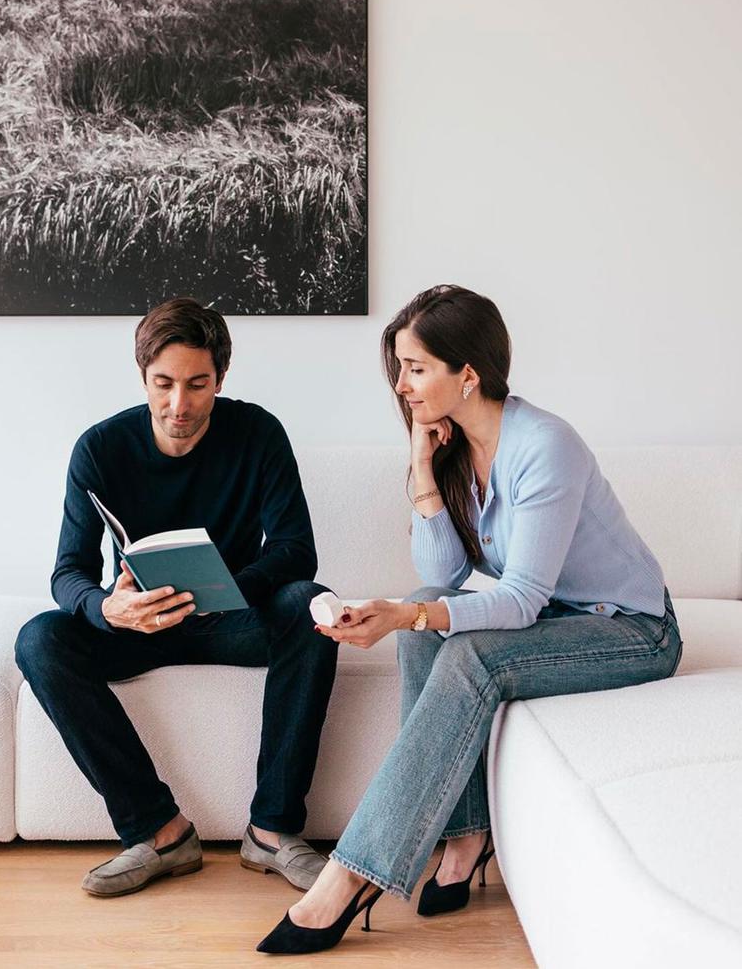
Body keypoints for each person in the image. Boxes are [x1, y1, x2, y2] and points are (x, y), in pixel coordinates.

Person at [257, 284, 683, 955]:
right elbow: (444, 574)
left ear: (468, 372)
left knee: (460, 646)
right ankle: (463, 836)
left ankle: (351, 872)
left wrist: (405, 614)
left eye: (416, 366)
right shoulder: (457, 446)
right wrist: (424, 469)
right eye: (398, 367)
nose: (400, 384)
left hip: (630, 629)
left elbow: (518, 598)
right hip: (557, 617)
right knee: (429, 612)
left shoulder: (545, 445)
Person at [15, 297, 338, 898]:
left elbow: (296, 549)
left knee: (312, 604)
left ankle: (272, 832)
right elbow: (68, 572)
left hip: (231, 618)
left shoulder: (259, 433)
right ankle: (160, 834)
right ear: (143, 377)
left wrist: (230, 589)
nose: (179, 405)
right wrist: (107, 607)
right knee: (39, 638)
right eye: (163, 384)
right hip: (137, 624)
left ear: (221, 377)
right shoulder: (100, 448)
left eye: (198, 384)